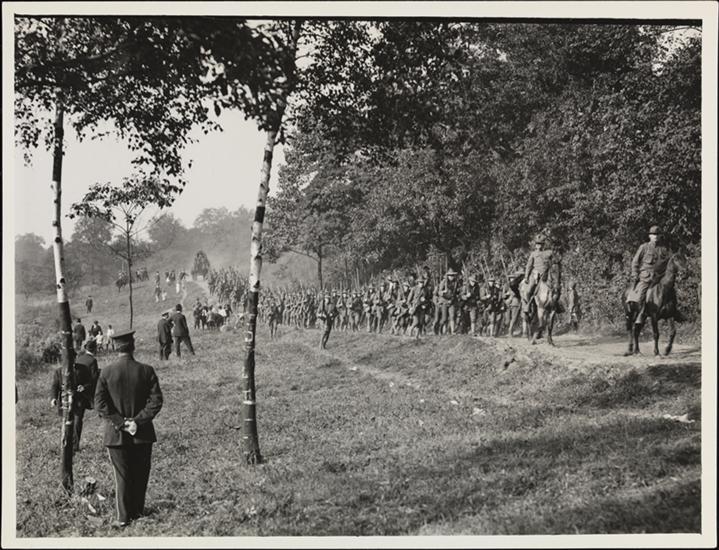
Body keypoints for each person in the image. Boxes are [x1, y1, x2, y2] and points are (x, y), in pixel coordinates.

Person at [95, 329, 163, 528]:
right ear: (133, 346)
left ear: (115, 348)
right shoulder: (147, 370)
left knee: (122, 476)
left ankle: (124, 517)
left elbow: (100, 404)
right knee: (141, 473)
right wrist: (137, 421)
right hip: (142, 433)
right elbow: (156, 401)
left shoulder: (106, 372)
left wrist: (120, 422)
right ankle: (138, 512)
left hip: (115, 435)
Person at [50, 339, 99, 452]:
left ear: (75, 358)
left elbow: (90, 382)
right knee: (65, 423)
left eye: (71, 359)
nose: (69, 361)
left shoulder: (82, 369)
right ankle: (65, 445)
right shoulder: (58, 372)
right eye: (66, 359)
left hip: (78, 401)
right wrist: (53, 398)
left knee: (77, 422)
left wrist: (84, 387)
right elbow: (54, 386)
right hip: (64, 403)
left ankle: (75, 446)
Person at [630, 225, 670, 325]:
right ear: (649, 236)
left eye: (657, 234)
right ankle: (641, 313)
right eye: (653, 234)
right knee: (641, 295)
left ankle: (674, 312)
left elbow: (669, 262)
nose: (655, 236)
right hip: (646, 277)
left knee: (671, 291)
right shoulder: (644, 247)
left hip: (660, 277)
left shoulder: (664, 249)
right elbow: (635, 262)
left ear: (660, 236)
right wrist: (634, 273)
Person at [524, 235, 555, 305]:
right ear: (535, 245)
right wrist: (526, 277)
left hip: (546, 275)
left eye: (541, 244)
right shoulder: (533, 254)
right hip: (536, 274)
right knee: (529, 289)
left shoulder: (548, 253)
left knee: (554, 288)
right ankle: (528, 304)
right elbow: (529, 266)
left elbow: (553, 262)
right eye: (537, 244)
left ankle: (555, 305)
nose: (539, 246)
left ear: (543, 245)